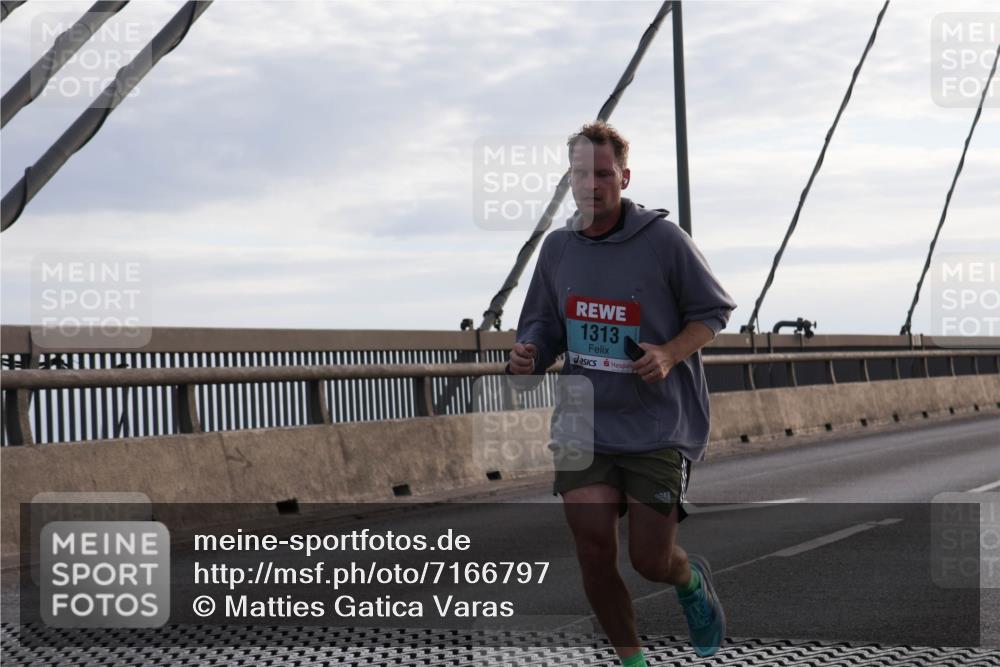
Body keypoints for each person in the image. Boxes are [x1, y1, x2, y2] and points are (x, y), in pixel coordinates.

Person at [507, 121, 736, 664]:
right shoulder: (558, 249)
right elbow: (542, 326)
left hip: (657, 426)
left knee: (650, 560)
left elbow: (714, 312)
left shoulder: (663, 240)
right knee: (593, 552)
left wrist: (668, 353)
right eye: (581, 174)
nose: (592, 184)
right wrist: (529, 354)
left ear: (624, 177)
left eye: (603, 174)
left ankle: (689, 580)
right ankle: (632, 661)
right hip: (584, 425)